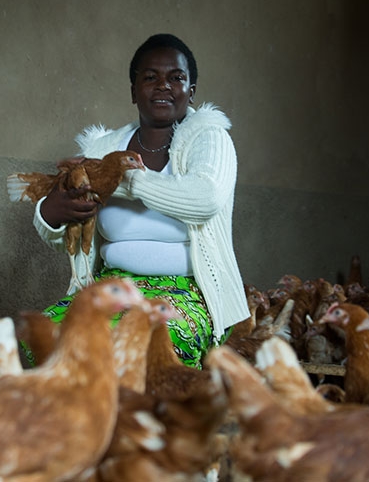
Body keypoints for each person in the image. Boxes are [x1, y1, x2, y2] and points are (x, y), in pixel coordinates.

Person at [30, 33, 249, 368]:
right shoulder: (103, 148)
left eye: (176, 78)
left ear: (191, 91)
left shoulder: (210, 139)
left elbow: (204, 199)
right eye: (150, 77)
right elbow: (72, 237)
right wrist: (51, 214)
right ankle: (86, 419)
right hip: (111, 286)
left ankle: (129, 420)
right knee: (42, 337)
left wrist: (121, 178)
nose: (163, 86)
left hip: (187, 294)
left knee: (143, 348)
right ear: (133, 90)